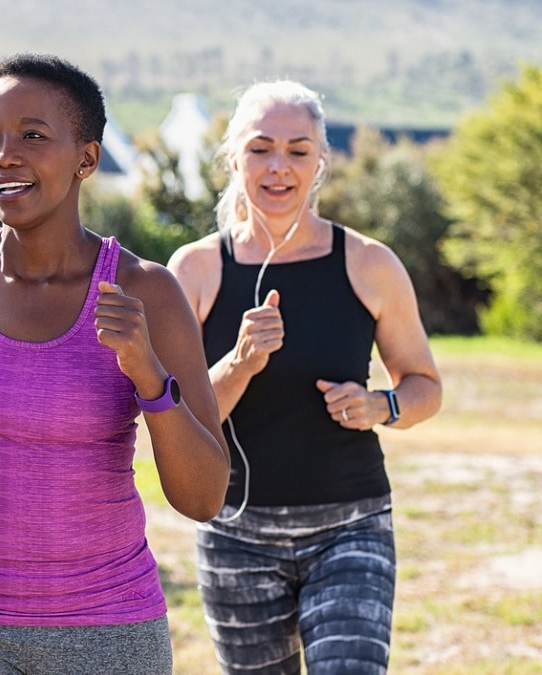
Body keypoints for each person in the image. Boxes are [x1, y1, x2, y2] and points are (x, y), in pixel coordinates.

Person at [0, 53, 231, 675]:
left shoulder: (147, 290)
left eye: (32, 136)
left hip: (107, 624)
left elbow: (203, 497)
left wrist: (148, 375)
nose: (3, 156)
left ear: (86, 159)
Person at [167, 80, 443, 674]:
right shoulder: (194, 271)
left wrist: (382, 406)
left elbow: (425, 384)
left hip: (351, 526)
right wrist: (239, 361)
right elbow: (174, 422)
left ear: (320, 162)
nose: (278, 167)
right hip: (236, 532)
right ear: (234, 156)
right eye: (261, 148)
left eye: (298, 150)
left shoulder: (369, 262)